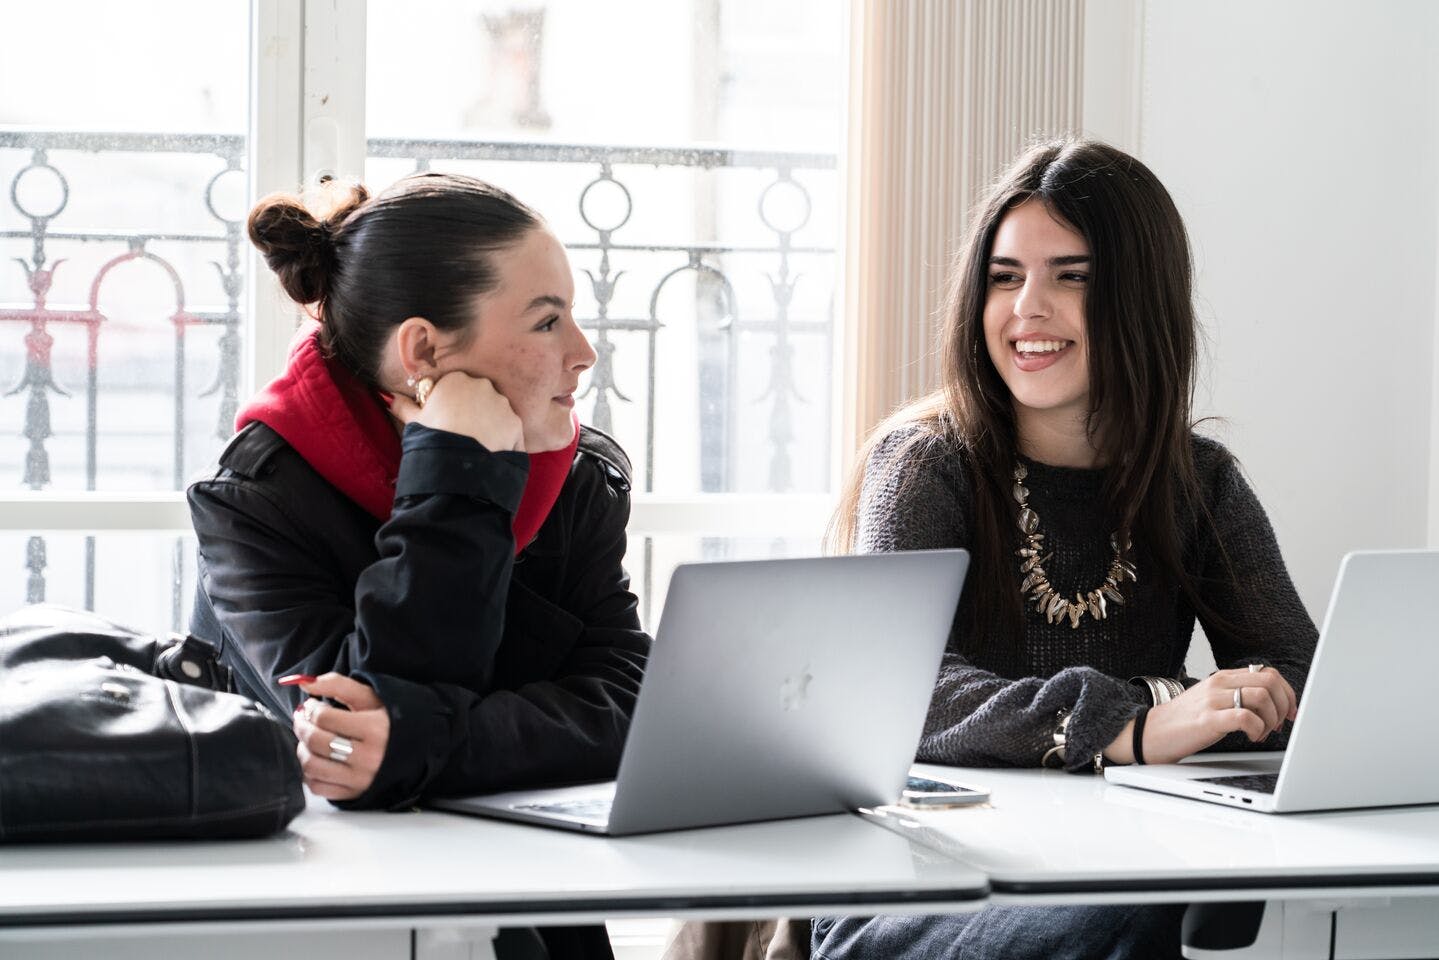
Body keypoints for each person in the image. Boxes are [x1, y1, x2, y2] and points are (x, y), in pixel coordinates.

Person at [813, 139, 1318, 960]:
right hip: (916, 883)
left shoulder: (1197, 480)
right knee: (1138, 914)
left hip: (1115, 859)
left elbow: (1296, 681)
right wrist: (1135, 727)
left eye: (1071, 277)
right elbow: (896, 690)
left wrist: (1180, 711)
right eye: (1004, 277)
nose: (1027, 309)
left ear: (1140, 297)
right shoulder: (926, 463)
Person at [187, 172, 649, 959]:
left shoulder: (575, 478)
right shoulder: (256, 499)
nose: (583, 352)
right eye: (547, 321)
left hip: (537, 888)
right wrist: (456, 470)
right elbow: (345, 733)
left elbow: (628, 699)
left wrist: (435, 745)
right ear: (423, 351)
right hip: (329, 909)